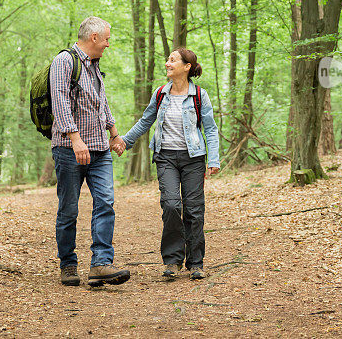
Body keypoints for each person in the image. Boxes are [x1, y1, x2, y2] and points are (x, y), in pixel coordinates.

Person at [116, 48, 220, 280]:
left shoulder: (200, 96)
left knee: (194, 209)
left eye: (173, 60)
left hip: (193, 158)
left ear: (187, 67)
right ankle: (173, 261)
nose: (167, 63)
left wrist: (213, 158)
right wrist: (125, 141)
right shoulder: (161, 93)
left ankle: (195, 263)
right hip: (166, 157)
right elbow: (146, 121)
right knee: (171, 205)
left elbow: (210, 130)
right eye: (168, 60)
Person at [49, 16, 130, 288]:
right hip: (69, 150)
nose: (108, 44)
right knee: (69, 210)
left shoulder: (95, 67)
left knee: (105, 202)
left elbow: (101, 103)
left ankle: (101, 264)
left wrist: (115, 134)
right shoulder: (64, 61)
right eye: (106, 38)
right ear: (94, 37)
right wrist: (75, 138)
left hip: (99, 150)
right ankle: (68, 266)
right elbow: (59, 101)